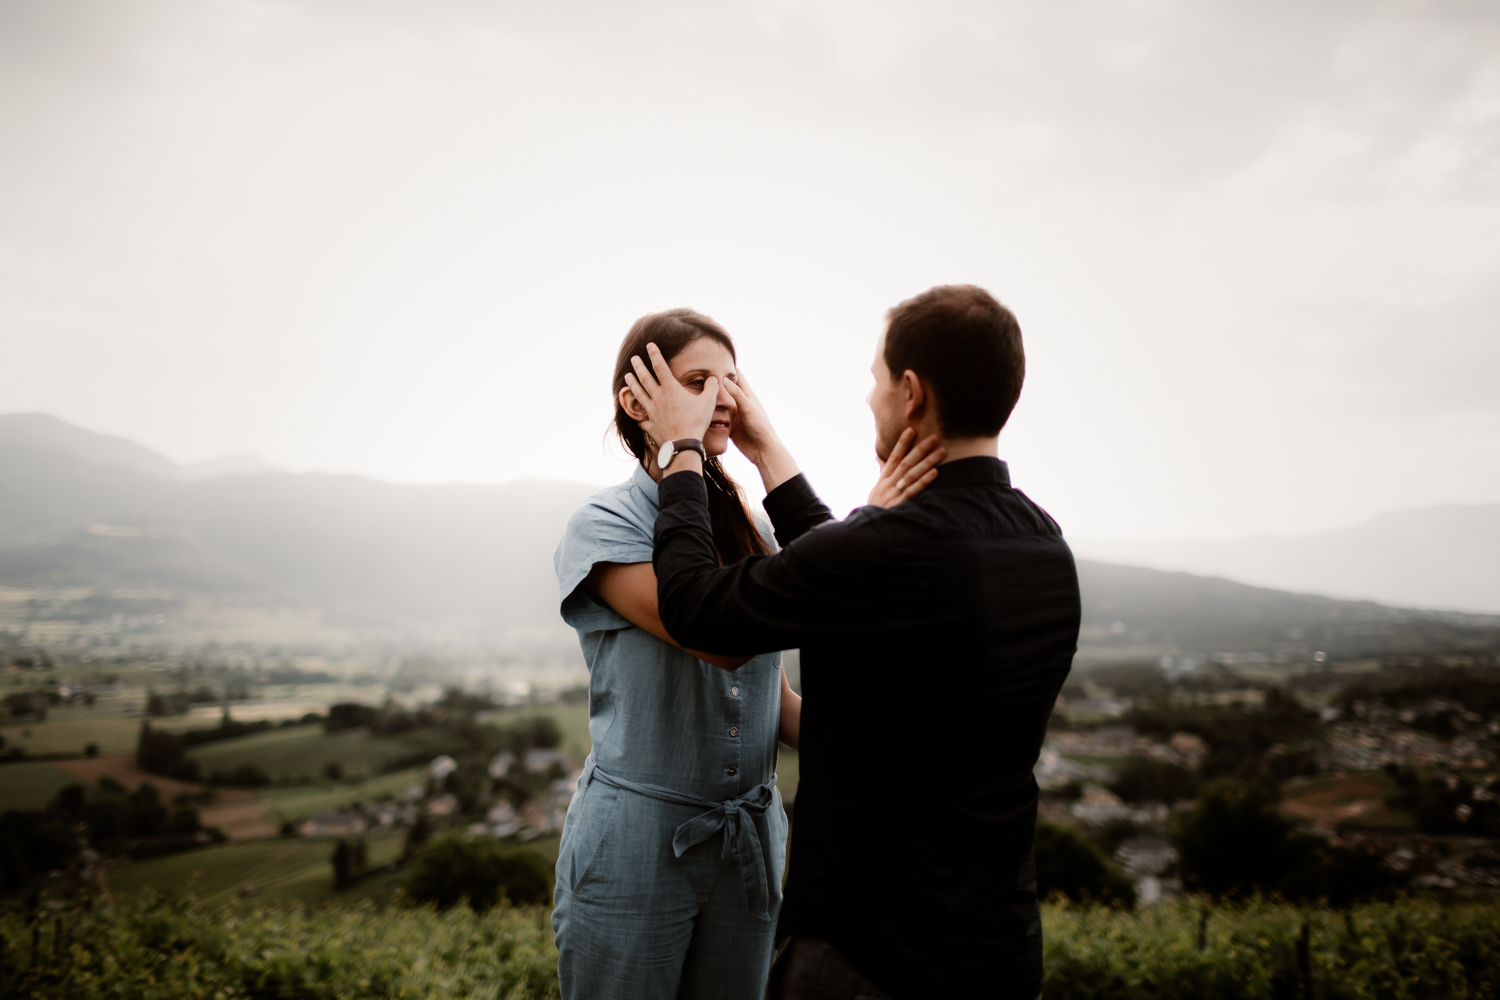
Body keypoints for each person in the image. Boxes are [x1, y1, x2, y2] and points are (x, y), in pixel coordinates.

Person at [625, 285, 1081, 1000]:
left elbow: (696, 608)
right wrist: (767, 450)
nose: (870, 397)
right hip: (999, 952)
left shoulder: (886, 551)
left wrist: (680, 448)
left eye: (876, 379)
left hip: (870, 955)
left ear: (912, 391)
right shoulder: (1046, 546)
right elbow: (846, 581)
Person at [550, 308, 941, 1000]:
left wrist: (888, 755)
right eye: (697, 381)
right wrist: (839, 551)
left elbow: (775, 696)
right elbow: (716, 636)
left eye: (732, 380)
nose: (722, 397)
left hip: (752, 843)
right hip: (636, 843)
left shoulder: (755, 526)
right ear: (637, 402)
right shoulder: (603, 526)